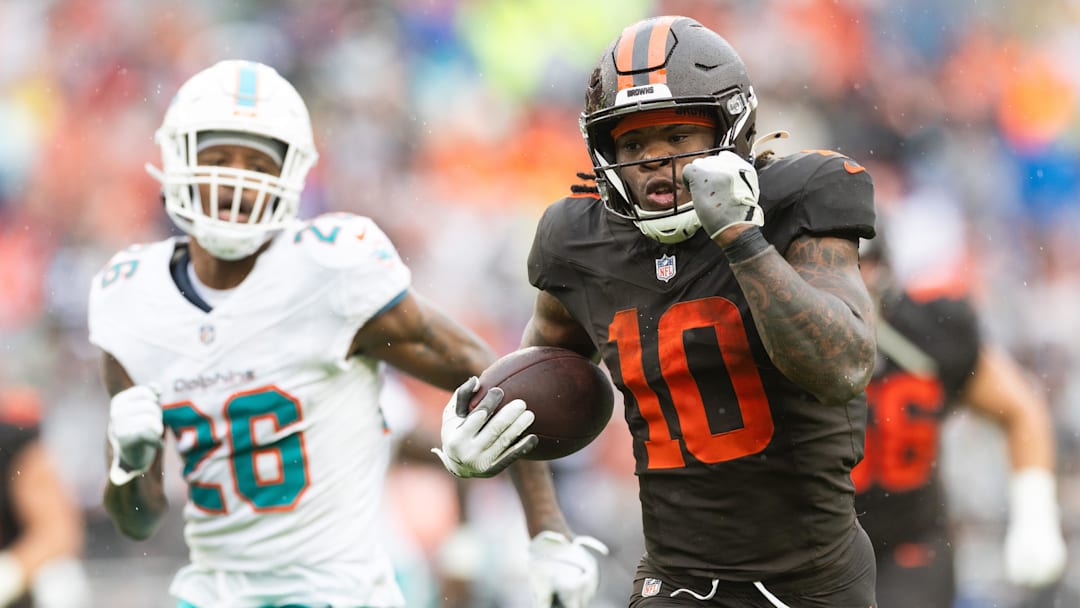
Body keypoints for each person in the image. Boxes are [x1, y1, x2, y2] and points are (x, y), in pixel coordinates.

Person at [87, 59, 594, 608]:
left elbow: (497, 382)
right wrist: (129, 465)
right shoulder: (131, 300)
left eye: (255, 163)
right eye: (217, 160)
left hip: (338, 593)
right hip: (212, 593)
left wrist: (547, 531)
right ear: (178, 162)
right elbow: (137, 521)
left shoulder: (330, 273)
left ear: (289, 175)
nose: (234, 181)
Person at [435, 15, 880, 608]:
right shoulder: (579, 240)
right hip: (678, 577)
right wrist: (478, 432)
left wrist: (742, 239)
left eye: (678, 136)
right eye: (634, 143)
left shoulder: (798, 197)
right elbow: (537, 382)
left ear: (732, 126)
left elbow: (842, 366)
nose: (654, 159)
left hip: (816, 578)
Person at [854, 230, 1068, 606]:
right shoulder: (774, 335)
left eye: (859, 264)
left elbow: (1020, 410)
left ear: (883, 266)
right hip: (814, 543)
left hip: (909, 542)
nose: (849, 280)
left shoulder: (927, 331)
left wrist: (1035, 514)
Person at [0, 387, 89, 608]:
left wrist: (11, 570)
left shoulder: (12, 440)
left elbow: (58, 533)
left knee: (60, 581)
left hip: (17, 583)